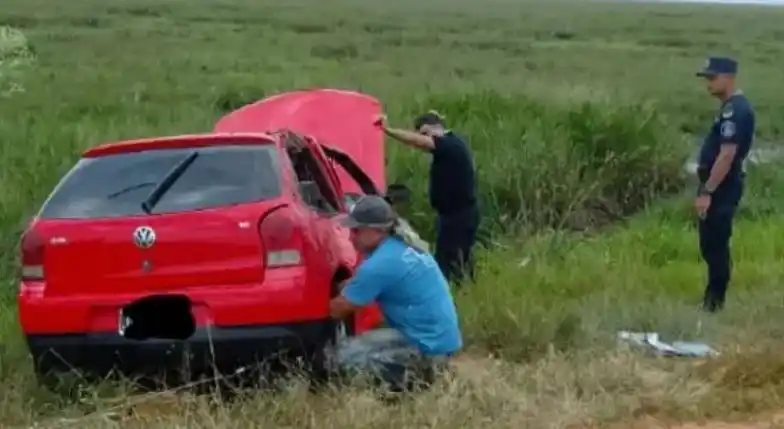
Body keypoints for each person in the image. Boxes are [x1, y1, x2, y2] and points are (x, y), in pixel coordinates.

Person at [328, 195, 463, 393]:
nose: (351, 237)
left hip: (426, 349)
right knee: (358, 344)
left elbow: (336, 310)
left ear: (378, 231)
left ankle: (416, 379)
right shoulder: (402, 246)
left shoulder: (380, 264)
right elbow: (360, 285)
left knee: (337, 360)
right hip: (438, 341)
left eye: (356, 230)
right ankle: (428, 371)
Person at [375, 111, 480, 284]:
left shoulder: (450, 144)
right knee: (459, 259)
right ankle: (464, 289)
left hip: (458, 216)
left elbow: (420, 143)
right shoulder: (450, 147)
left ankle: (449, 295)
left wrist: (388, 130)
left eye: (426, 133)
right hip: (455, 215)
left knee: (448, 262)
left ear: (438, 127)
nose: (424, 139)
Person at [694, 56, 755, 312]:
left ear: (728, 78)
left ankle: (714, 304)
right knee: (710, 244)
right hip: (717, 186)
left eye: (713, 78)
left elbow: (727, 155)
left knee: (716, 245)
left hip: (722, 187)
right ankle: (712, 300)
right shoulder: (728, 108)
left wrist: (708, 190)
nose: (708, 84)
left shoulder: (736, 110)